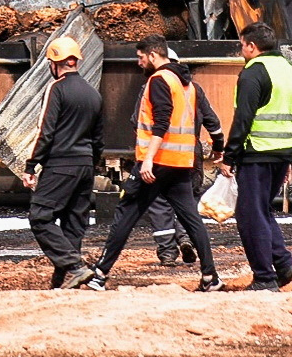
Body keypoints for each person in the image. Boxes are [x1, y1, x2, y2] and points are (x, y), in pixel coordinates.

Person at [88, 34, 225, 292]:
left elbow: (161, 123)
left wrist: (148, 159)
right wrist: (219, 148)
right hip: (182, 163)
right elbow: (207, 122)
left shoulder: (158, 80)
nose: (138, 63)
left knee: (126, 214)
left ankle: (99, 274)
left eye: (140, 57)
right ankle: (210, 276)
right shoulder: (188, 86)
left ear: (153, 55)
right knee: (191, 219)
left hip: (157, 163)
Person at [218, 21, 292, 291]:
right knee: (262, 211)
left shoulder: (253, 72)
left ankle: (264, 278)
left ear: (252, 46)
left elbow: (243, 118)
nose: (241, 50)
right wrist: (290, 155)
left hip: (256, 153)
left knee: (249, 217)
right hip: (280, 154)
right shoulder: (288, 70)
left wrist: (229, 157)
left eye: (242, 45)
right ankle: (282, 263)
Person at [21, 35, 104, 290]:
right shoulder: (93, 94)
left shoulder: (56, 89)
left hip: (61, 164)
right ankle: (63, 281)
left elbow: (45, 130)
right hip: (85, 166)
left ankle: (75, 267)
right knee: (74, 223)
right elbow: (99, 138)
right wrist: (91, 164)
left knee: (40, 216)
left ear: (54, 63)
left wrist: (30, 165)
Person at [136, 48, 223, 266]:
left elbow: (136, 121)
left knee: (158, 202)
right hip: (189, 155)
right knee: (188, 200)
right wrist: (219, 148)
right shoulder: (194, 89)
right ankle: (185, 237)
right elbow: (212, 122)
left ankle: (167, 251)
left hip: (159, 155)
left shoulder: (153, 85)